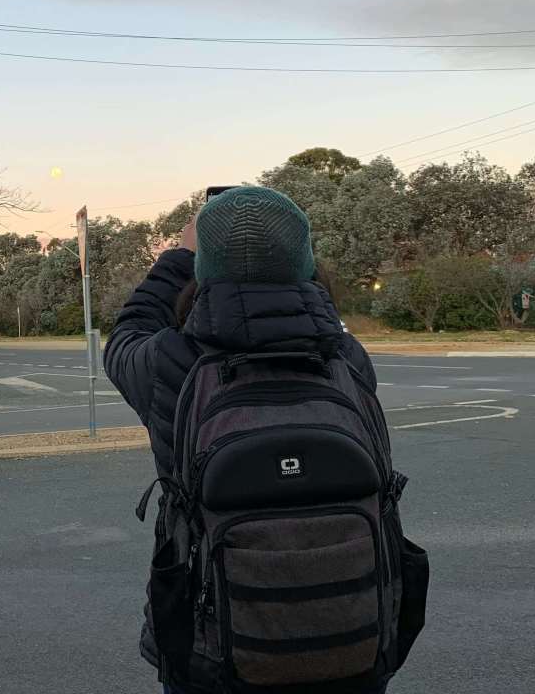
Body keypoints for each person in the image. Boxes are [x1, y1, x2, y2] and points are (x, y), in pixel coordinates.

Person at [104, 186, 385, 694]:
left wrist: (179, 256)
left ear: (205, 267)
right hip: (355, 636)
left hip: (214, 652)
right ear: (305, 263)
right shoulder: (346, 357)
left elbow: (126, 333)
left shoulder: (172, 362)